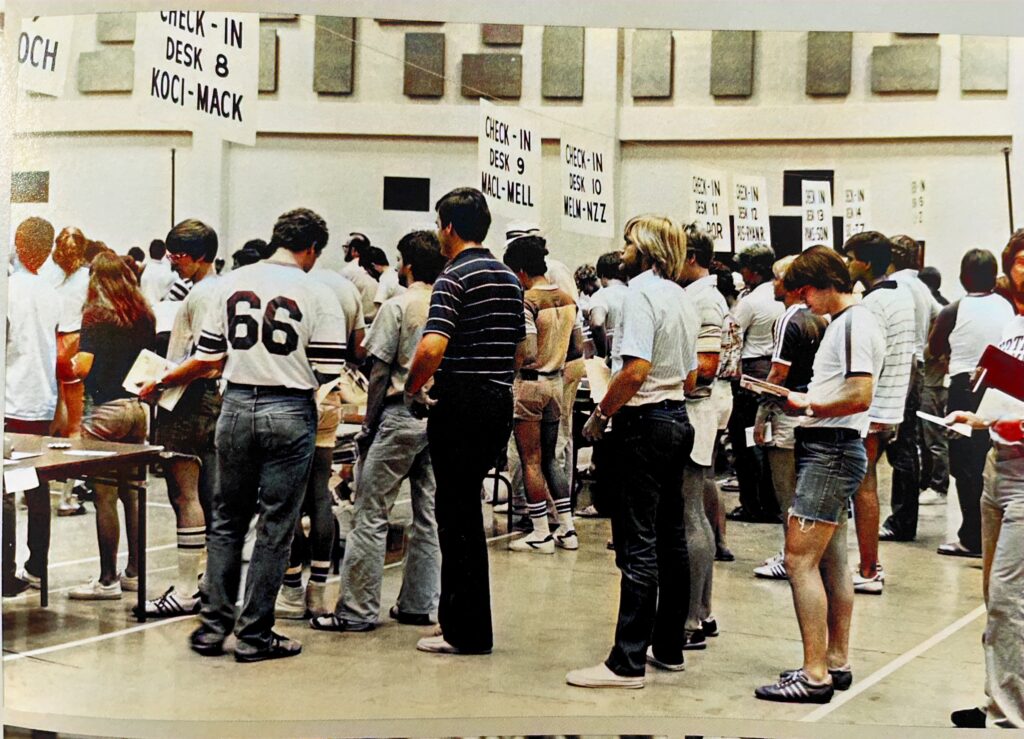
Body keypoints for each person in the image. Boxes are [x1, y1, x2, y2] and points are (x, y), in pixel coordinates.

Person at [149, 208, 346, 661]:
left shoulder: (232, 283)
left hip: (235, 405)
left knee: (227, 520)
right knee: (275, 525)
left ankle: (212, 627)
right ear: (312, 248)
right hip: (290, 407)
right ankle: (255, 633)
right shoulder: (318, 291)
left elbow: (211, 354)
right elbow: (328, 368)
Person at [567, 214, 698, 689]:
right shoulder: (681, 297)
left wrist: (602, 412)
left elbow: (636, 369)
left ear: (642, 249)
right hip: (677, 418)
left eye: (627, 242)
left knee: (637, 540)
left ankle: (627, 661)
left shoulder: (639, 295)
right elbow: (689, 376)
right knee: (671, 536)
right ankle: (668, 646)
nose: (621, 249)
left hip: (642, 423)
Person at [754, 245, 884, 704]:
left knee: (799, 560)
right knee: (831, 561)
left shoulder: (852, 323)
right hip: (834, 446)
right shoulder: (849, 323)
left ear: (824, 284)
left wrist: (809, 404)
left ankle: (814, 674)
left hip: (831, 449)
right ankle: (834, 659)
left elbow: (860, 392)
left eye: (807, 291)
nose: (804, 301)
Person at [405, 187, 524, 655]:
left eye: (439, 225)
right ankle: (460, 618)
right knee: (466, 514)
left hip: (461, 402)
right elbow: (520, 348)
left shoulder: (453, 277)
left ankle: (465, 630)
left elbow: (432, 346)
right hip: (497, 400)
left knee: (456, 518)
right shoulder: (508, 277)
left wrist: (413, 387)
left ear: (449, 228)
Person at [310, 230, 447, 632]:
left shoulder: (398, 307)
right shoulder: (448, 304)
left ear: (406, 264)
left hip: (399, 414)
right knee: (429, 513)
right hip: (437, 417)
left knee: (371, 514)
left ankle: (356, 609)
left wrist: (369, 425)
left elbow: (379, 371)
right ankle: (419, 603)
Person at [949, 229, 1024, 729]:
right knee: (993, 596)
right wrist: (979, 418)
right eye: (1020, 262)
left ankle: (1013, 713)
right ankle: (999, 697)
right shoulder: (1010, 325)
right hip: (998, 465)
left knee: (1006, 595)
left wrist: (1002, 422)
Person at [276, 232, 371, 621]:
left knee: (289, 500)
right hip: (332, 393)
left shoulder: (287, 288)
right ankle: (319, 589)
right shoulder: (343, 289)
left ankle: (292, 590)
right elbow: (360, 346)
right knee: (320, 494)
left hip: (295, 393)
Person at [137, 220, 223, 617]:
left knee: (184, 494)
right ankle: (203, 581)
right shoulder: (213, 289)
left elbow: (206, 358)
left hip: (191, 400)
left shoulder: (204, 293)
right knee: (204, 496)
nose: (174, 263)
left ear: (201, 255)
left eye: (180, 256)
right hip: (202, 399)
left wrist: (162, 380)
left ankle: (188, 588)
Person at [66, 253, 155, 600]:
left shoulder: (96, 316)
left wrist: (73, 363)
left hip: (106, 412)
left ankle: (107, 579)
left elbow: (83, 367)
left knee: (105, 497)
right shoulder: (143, 315)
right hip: (137, 409)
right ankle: (135, 571)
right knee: (132, 493)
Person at [3, 218, 76, 596]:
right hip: (41, 402)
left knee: (4, 490)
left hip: (10, 402)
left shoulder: (8, 290)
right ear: (48, 251)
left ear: (16, 243)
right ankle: (38, 566)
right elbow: (60, 353)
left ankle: (4, 569)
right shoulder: (52, 294)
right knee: (36, 488)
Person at [928, 248, 1015, 558]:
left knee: (965, 465)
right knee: (990, 460)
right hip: (1002, 385)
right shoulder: (1007, 307)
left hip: (965, 389)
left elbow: (934, 349)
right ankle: (996, 531)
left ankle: (971, 537)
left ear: (963, 277)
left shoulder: (953, 310)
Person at [843, 231, 916, 595]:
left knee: (864, 487)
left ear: (866, 263)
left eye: (851, 258)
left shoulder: (872, 305)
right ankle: (869, 563)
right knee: (866, 484)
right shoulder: (901, 294)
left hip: (872, 407)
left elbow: (868, 359)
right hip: (890, 402)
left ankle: (869, 568)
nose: (847, 265)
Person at [504, 233, 582, 554]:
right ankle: (567, 529)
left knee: (530, 459)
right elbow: (577, 346)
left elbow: (528, 352)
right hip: (556, 385)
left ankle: (539, 533)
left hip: (531, 385)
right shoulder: (567, 298)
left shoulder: (528, 302)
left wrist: (510, 367)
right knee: (551, 458)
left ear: (521, 270)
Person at [753, 255, 827, 581]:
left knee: (787, 493)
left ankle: (790, 555)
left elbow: (778, 373)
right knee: (804, 491)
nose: (773, 284)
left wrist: (761, 412)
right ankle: (808, 556)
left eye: (777, 278)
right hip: (813, 411)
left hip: (787, 413)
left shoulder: (789, 320)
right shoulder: (822, 317)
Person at [678, 224, 728, 647]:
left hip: (694, 411)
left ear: (691, 256)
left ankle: (692, 617)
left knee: (690, 515)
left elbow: (705, 366)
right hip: (694, 411)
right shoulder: (696, 296)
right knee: (692, 512)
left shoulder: (705, 300)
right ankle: (701, 610)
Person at [878, 235, 939, 542]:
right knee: (906, 443)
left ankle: (902, 519)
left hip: (900, 368)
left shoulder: (897, 287)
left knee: (898, 444)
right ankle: (903, 517)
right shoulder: (922, 288)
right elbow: (940, 316)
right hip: (916, 366)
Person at [726, 243, 784, 523]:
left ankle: (753, 504)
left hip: (750, 374)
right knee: (768, 439)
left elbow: (733, 335)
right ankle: (771, 502)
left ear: (753, 271)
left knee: (748, 442)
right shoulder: (781, 296)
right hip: (773, 371)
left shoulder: (750, 301)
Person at [917, 265, 951, 505]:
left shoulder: (935, 311)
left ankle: (938, 485)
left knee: (933, 436)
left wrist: (918, 353)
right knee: (929, 436)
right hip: (934, 379)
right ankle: (931, 481)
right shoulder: (945, 306)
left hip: (933, 380)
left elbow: (936, 347)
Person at [589, 251, 628, 359]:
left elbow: (597, 323)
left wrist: (603, 354)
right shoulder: (635, 292)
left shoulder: (601, 295)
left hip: (613, 359)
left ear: (601, 275)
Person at [341, 232, 380, 322]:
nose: (344, 250)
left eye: (345, 247)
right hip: (376, 323)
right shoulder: (375, 268)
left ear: (354, 250)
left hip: (358, 324)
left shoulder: (347, 271)